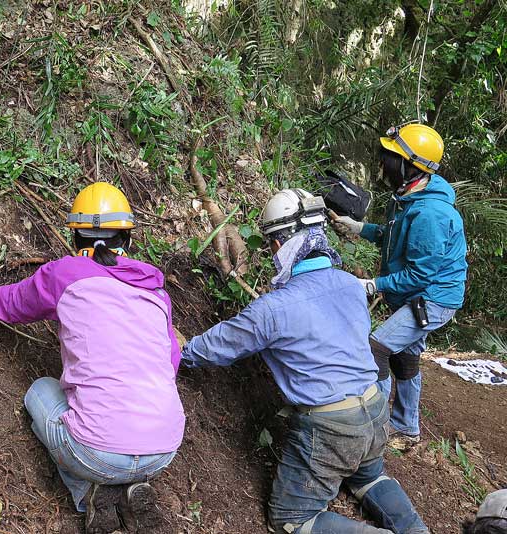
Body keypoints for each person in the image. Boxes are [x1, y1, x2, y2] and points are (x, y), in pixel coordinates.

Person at [180, 188, 429, 533]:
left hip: (331, 428)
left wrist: (181, 351)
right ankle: (416, 530)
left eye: (270, 244)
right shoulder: (352, 286)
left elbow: (215, 347)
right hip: (374, 410)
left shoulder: (274, 308)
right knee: (370, 477)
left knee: (290, 520)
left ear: (279, 246)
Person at [0, 182, 185, 534]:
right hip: (163, 449)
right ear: (128, 238)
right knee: (111, 434)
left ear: (75, 237)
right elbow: (170, 364)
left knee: (40, 391)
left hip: (96, 453)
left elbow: (16, 303)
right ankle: (130, 487)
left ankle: (89, 491)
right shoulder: (156, 293)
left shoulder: (66, 275)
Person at [334, 123, 468, 449]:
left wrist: (372, 284)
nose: (383, 164)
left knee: (376, 349)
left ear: (410, 164)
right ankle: (406, 427)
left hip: (432, 297)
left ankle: (373, 428)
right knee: (405, 359)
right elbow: (392, 235)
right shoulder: (409, 195)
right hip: (414, 293)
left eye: (390, 158)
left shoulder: (430, 213)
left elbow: (420, 274)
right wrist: (358, 227)